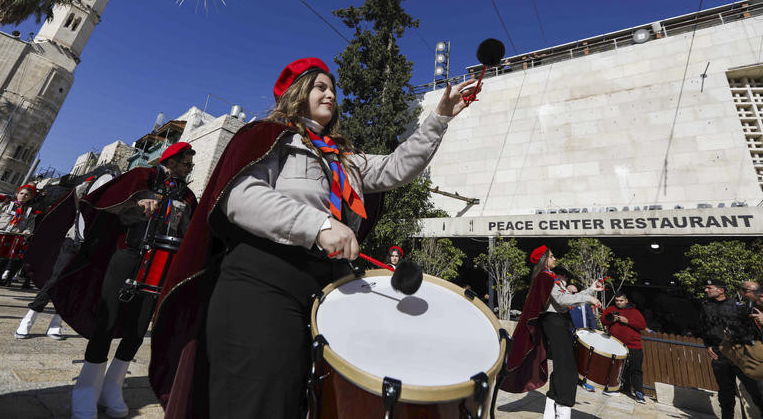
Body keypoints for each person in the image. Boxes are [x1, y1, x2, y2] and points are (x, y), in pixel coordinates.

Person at [147, 57, 478, 419]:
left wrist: (439, 118)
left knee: (295, 403)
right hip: (259, 283)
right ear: (299, 92)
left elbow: (396, 167)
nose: (331, 94)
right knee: (259, 403)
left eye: (333, 89)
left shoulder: (345, 159)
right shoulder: (266, 137)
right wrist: (319, 225)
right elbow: (240, 198)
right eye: (321, 87)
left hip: (321, 294)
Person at [37, 143, 197, 419]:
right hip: (128, 254)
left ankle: (113, 385)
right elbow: (110, 198)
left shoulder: (189, 195)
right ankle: (86, 389)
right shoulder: (143, 176)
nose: (189, 167)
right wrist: (140, 199)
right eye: (185, 162)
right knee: (107, 320)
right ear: (171, 161)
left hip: (160, 264)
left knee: (138, 324)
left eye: (191, 163)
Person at [15, 165, 121, 340]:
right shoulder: (84, 188)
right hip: (73, 240)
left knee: (75, 286)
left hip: (93, 245)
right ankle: (28, 319)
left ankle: (56, 324)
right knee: (55, 279)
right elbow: (72, 199)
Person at [502, 245, 604, 419]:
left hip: (559, 322)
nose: (555, 259)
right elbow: (562, 300)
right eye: (551, 256)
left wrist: (590, 290)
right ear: (544, 260)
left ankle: (550, 410)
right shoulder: (545, 277)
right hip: (555, 323)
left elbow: (567, 298)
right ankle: (563, 409)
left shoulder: (550, 278)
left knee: (563, 366)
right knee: (568, 369)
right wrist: (589, 298)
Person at [700, 278, 763, 419]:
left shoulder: (737, 306)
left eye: (710, 288)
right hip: (719, 353)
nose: (706, 290)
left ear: (721, 290)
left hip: (738, 351)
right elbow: (704, 327)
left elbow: (752, 330)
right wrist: (708, 345)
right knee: (725, 393)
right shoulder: (705, 306)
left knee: (756, 390)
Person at [600, 291, 647, 403]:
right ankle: (613, 388)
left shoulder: (634, 312)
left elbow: (642, 325)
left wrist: (628, 321)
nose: (619, 303)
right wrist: (612, 319)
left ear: (626, 300)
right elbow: (603, 320)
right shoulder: (611, 309)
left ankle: (639, 392)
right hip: (616, 345)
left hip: (633, 345)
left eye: (621, 300)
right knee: (615, 368)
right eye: (617, 300)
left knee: (635, 370)